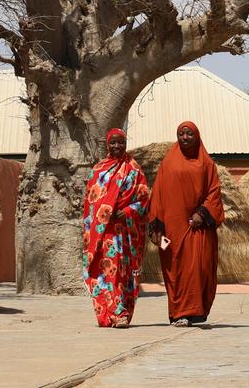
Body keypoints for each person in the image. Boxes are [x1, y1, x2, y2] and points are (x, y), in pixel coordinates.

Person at [148, 121, 224, 326]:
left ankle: (194, 312)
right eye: (181, 134)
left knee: (198, 269)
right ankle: (178, 313)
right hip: (172, 230)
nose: (185, 138)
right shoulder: (168, 163)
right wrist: (156, 228)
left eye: (189, 134)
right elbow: (157, 195)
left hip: (197, 228)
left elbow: (214, 193)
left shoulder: (207, 164)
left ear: (197, 136)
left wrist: (202, 213)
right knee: (175, 271)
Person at [81, 127, 150, 328]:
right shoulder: (98, 170)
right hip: (103, 234)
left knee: (121, 272)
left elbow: (144, 199)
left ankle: (122, 313)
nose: (117, 146)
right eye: (113, 142)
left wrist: (127, 212)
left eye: (121, 142)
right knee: (105, 272)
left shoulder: (134, 169)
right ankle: (110, 313)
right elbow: (91, 204)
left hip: (125, 233)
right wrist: (103, 218)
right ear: (107, 144)